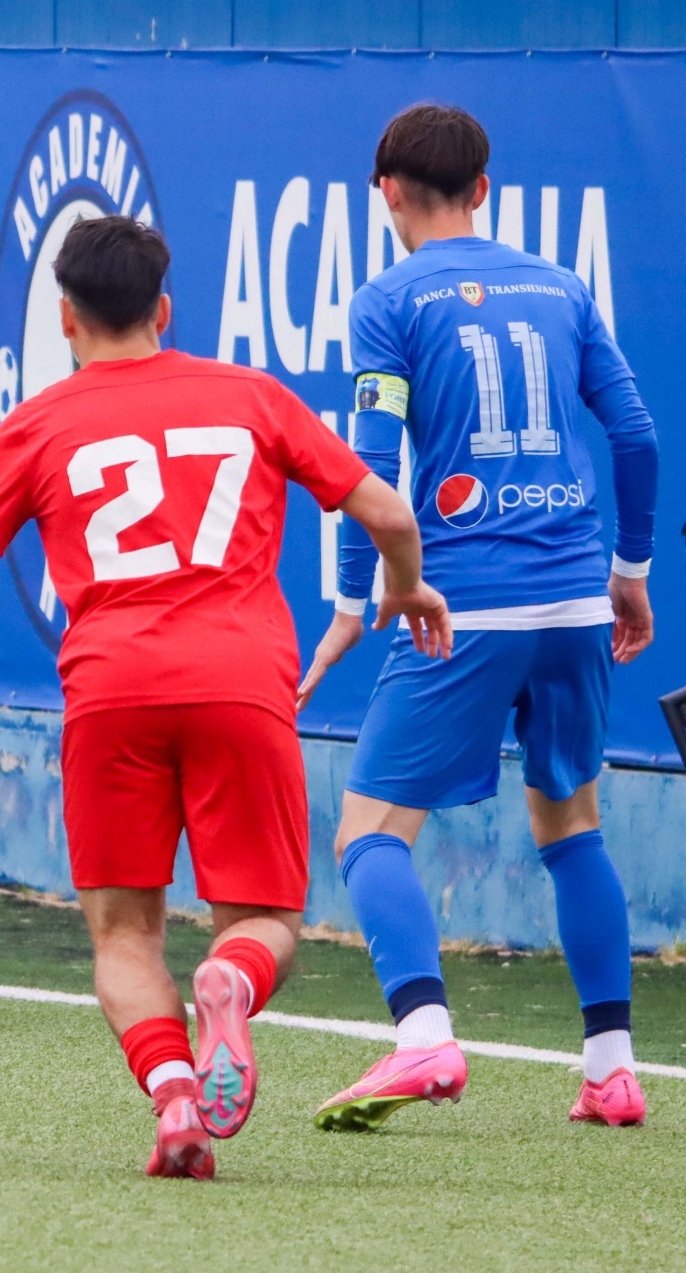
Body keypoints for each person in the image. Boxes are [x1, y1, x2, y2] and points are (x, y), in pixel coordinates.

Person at [0, 216, 448, 1178]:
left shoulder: (34, 425)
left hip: (110, 691)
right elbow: (391, 514)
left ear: (63, 319)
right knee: (261, 923)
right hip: (241, 684)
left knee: (122, 931)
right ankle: (228, 980)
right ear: (163, 309)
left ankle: (175, 1098)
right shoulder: (250, 395)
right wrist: (402, 587)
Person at [301, 104, 660, 1130]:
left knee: (367, 831)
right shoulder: (560, 287)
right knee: (570, 824)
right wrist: (628, 571)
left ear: (384, 193)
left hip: (464, 604)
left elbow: (367, 464)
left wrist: (351, 600)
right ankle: (610, 1069)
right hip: (575, 596)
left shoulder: (386, 300)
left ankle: (423, 1036)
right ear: (484, 188)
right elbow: (633, 434)